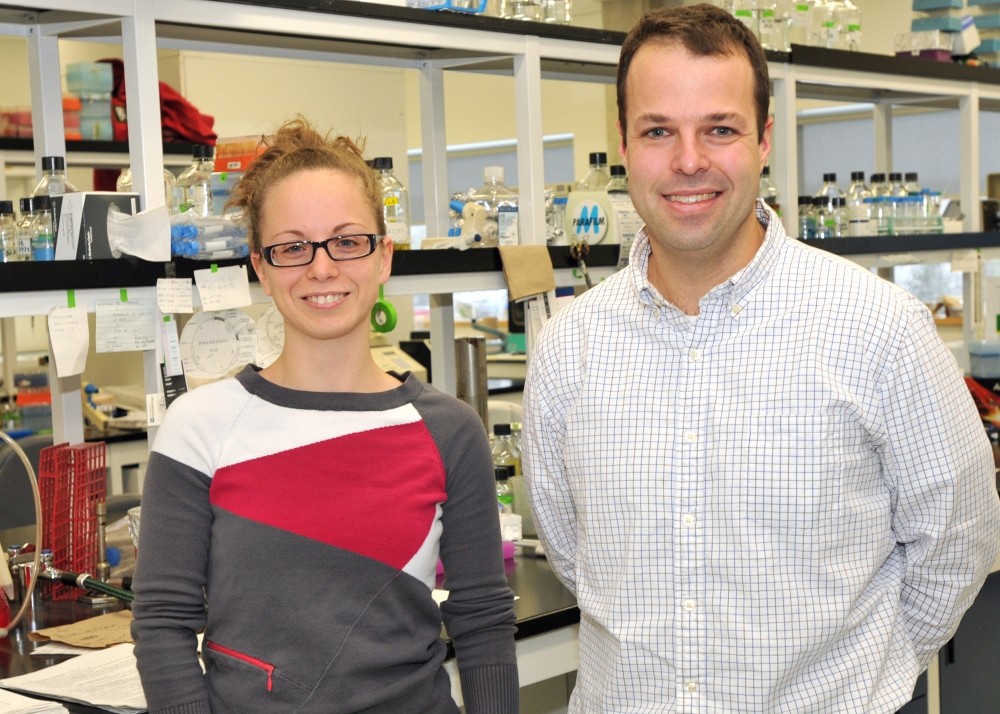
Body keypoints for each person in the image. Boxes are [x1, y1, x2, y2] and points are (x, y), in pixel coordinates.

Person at [522, 5, 1000, 713]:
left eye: (720, 129)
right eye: (659, 131)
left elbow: (958, 542)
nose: (689, 160)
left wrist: (855, 682)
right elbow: (570, 548)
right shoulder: (569, 344)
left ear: (764, 139)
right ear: (623, 142)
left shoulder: (878, 327)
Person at [131, 118, 519, 713]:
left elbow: (483, 622)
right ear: (260, 267)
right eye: (292, 246)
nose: (321, 268)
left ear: (384, 256)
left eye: (347, 240)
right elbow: (163, 625)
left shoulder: (449, 430)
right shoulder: (200, 426)